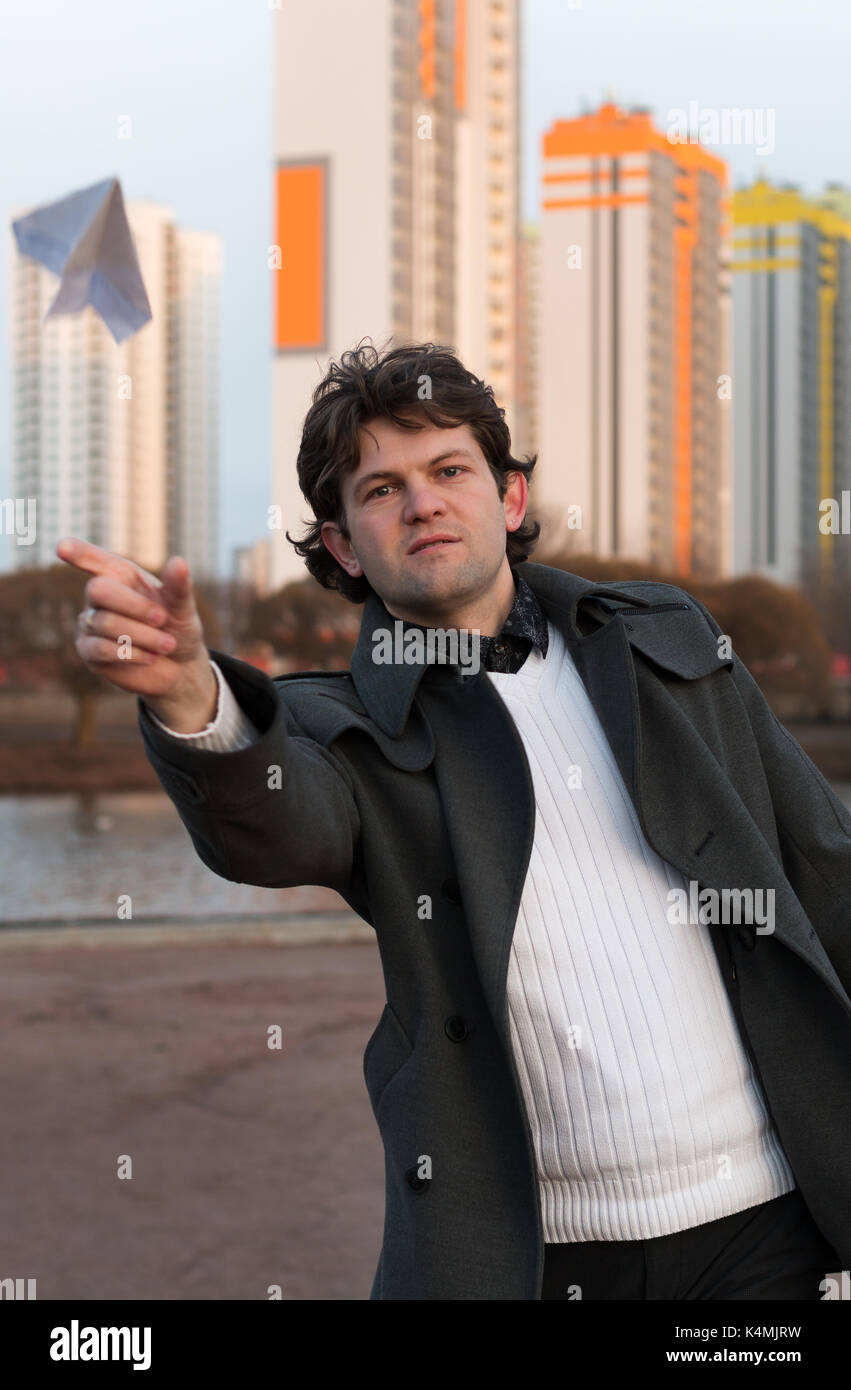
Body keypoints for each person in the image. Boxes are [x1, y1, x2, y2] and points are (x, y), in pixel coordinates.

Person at [57, 340, 851, 1301]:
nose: (423, 502)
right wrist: (191, 695)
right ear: (344, 545)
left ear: (507, 498)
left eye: (447, 471)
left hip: (765, 1226)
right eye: (381, 490)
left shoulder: (664, 638)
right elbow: (275, 829)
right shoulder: (336, 729)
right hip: (536, 1253)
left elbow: (820, 858)